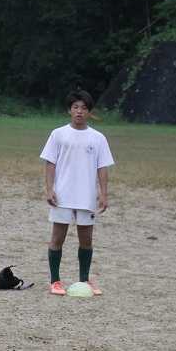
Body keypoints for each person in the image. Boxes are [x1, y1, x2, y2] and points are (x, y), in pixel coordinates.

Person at [40, 89, 114, 295]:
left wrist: (104, 194)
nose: (79, 111)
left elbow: (102, 167)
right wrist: (50, 189)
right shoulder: (58, 134)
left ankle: (84, 280)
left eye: (84, 108)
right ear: (69, 110)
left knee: (86, 239)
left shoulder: (98, 138)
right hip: (62, 195)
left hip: (86, 196)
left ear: (89, 112)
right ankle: (55, 281)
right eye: (75, 107)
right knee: (58, 237)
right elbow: (50, 163)